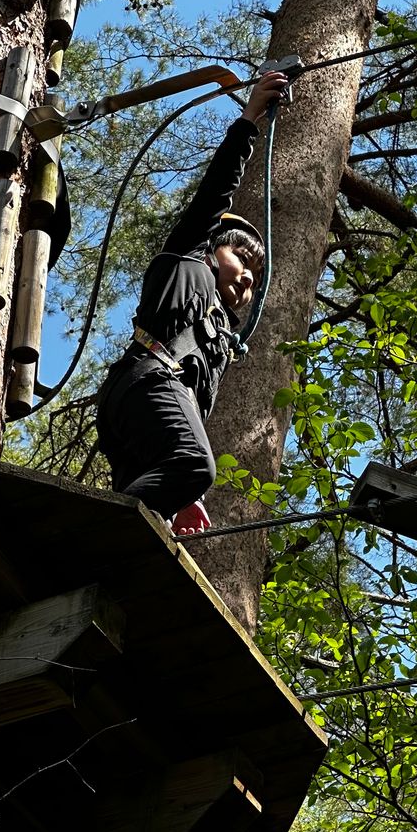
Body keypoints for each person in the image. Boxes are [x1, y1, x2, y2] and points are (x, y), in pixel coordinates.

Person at [96, 70, 287, 535]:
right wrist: (249, 118)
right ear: (210, 249)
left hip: (138, 413)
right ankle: (89, 541)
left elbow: (194, 409)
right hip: (147, 380)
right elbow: (213, 194)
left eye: (254, 279)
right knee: (195, 464)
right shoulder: (187, 263)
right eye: (240, 257)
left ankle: (90, 567)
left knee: (145, 519)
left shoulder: (217, 338)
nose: (246, 277)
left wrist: (187, 496)